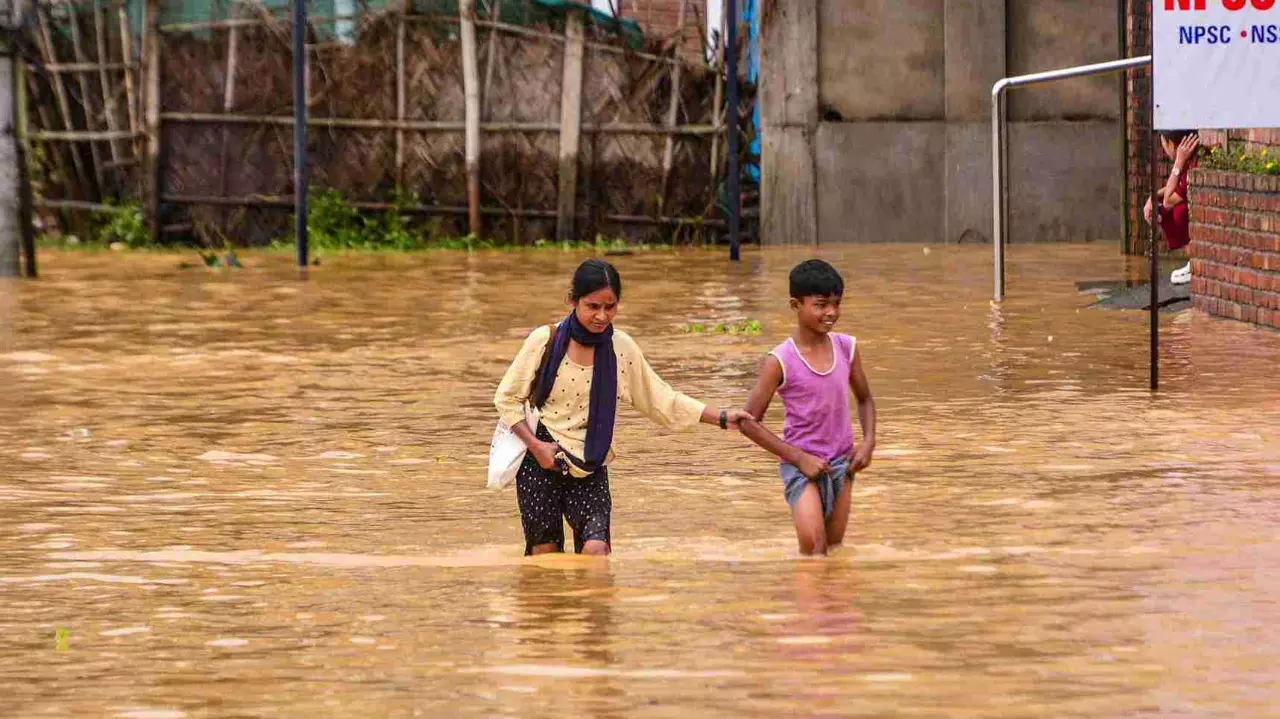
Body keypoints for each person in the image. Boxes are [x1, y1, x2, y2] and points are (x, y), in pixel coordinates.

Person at [494, 259, 748, 557]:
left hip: (591, 461)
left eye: (610, 307)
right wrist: (537, 447)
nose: (602, 316)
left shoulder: (620, 348)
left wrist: (720, 417)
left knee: (597, 550)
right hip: (540, 461)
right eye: (592, 306)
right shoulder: (545, 340)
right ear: (573, 300)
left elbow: (662, 400)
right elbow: (506, 398)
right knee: (545, 558)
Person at [738, 259, 876, 556]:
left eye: (837, 304)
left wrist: (868, 443)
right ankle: (810, 602)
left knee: (835, 550)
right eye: (821, 304)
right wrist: (799, 458)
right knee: (814, 549)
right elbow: (749, 422)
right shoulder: (781, 360)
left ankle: (832, 602)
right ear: (795, 304)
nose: (831, 313)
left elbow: (864, 398)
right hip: (801, 468)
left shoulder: (847, 348)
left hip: (842, 462)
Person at [1143, 130, 1200, 285]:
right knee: (1162, 209)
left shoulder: (1190, 163)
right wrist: (1153, 197)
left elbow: (1169, 200)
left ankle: (1195, 262)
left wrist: (1178, 163)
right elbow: (1173, 189)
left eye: (1164, 145)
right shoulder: (1190, 160)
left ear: (1172, 145)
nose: (1164, 150)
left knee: (1173, 211)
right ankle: (1192, 260)